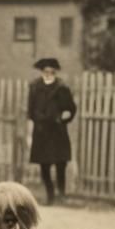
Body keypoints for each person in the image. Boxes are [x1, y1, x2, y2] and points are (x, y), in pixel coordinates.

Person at [27, 57, 78, 205]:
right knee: (44, 164)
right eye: (45, 71)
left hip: (57, 130)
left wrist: (65, 117)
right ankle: (50, 195)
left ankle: (61, 193)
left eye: (51, 72)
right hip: (41, 131)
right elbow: (30, 111)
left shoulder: (62, 88)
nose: (48, 74)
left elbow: (71, 108)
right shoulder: (35, 87)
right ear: (42, 72)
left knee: (60, 162)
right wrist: (29, 133)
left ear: (55, 73)